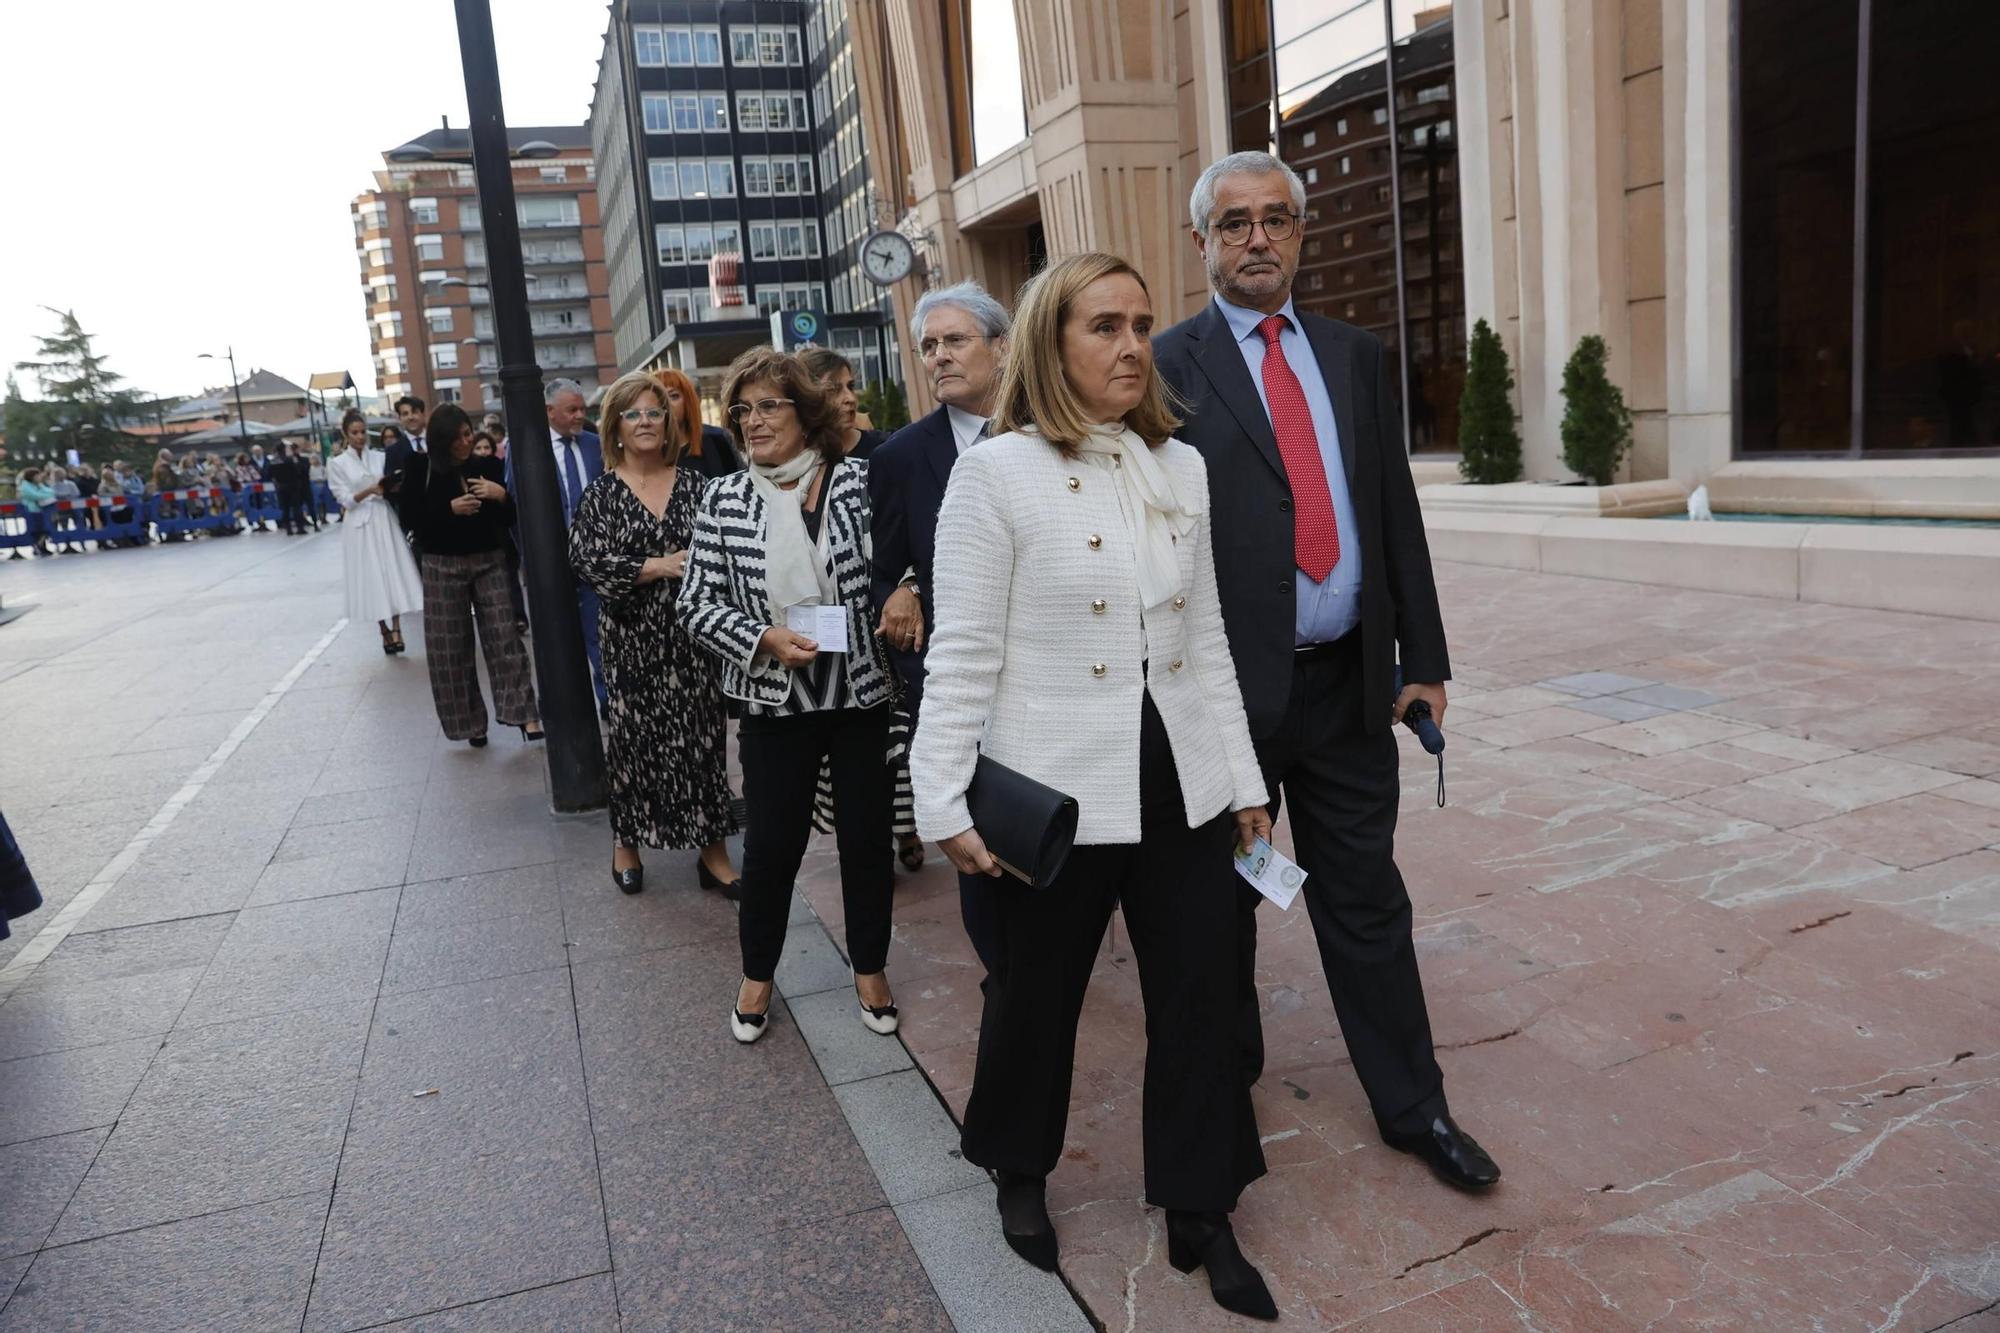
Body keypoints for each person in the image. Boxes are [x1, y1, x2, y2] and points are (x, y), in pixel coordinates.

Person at [910, 252, 1277, 1319]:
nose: (1130, 347)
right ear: (1046, 343)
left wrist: (1242, 782)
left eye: (1140, 325)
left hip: (1176, 775)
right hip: (1052, 784)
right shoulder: (992, 473)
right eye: (1102, 326)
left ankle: (1201, 1207)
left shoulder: (1182, 467)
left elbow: (1202, 640)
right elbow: (963, 651)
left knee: (1202, 993)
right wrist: (942, 798)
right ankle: (1018, 1166)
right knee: (1036, 989)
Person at [1154, 150, 1499, 1194]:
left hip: (1349, 685)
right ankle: (1228, 1081)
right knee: (1218, 910)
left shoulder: (1353, 355)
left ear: (1299, 233)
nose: (1256, 238)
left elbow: (1390, 509)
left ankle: (1414, 1106)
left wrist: (1423, 659)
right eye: (1232, 223)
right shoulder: (1165, 364)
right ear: (1202, 242)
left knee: (1364, 900)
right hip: (1224, 698)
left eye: (1274, 219)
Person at [679, 348, 900, 1046]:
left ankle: (870, 968)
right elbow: (695, 604)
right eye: (741, 410)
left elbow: (910, 560)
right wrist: (761, 637)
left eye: (767, 406)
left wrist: (910, 590)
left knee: (868, 842)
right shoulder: (724, 497)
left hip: (859, 693)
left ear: (805, 411)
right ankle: (756, 975)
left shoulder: (864, 480)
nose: (751, 422)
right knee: (773, 847)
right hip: (773, 702)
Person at [868, 280, 1011, 964]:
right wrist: (901, 590)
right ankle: (1004, 977)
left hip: (1061, 674)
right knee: (988, 857)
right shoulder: (898, 457)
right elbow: (883, 568)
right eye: (928, 346)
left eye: (955, 340)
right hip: (966, 692)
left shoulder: (1051, 427)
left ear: (1002, 347)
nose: (939, 357)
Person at [568, 371, 742, 899]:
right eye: (634, 414)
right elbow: (587, 561)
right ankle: (627, 842)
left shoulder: (698, 486)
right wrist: (657, 566)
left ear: (668, 424)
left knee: (703, 744)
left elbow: (726, 555)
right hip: (630, 643)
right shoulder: (600, 494)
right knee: (631, 745)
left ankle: (711, 854)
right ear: (615, 427)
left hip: (693, 643)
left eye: (654, 413)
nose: (645, 422)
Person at [397, 403, 544, 748]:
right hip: (440, 564)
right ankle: (469, 724)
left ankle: (525, 714)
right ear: (442, 440)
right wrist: (449, 509)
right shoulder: (421, 467)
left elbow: (509, 517)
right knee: (450, 648)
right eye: (458, 437)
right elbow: (410, 517)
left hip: (489, 559)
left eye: (468, 434)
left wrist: (501, 495)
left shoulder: (486, 465)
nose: (466, 442)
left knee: (504, 638)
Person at [507, 378, 607, 708]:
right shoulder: (527, 448)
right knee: (561, 639)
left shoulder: (595, 445)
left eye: (582, 409)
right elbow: (516, 504)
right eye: (572, 410)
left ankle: (607, 702)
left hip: (597, 560)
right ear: (549, 412)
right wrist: (530, 558)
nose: (580, 415)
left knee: (600, 633)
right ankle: (572, 705)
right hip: (553, 563)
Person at [327, 408, 423, 656]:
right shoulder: (337, 463)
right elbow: (345, 499)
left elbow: (391, 483)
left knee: (391, 571)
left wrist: (389, 487)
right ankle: (383, 630)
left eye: (362, 432)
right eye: (354, 433)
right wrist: (370, 490)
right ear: (346, 434)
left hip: (382, 517)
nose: (360, 437)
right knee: (370, 576)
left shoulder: (380, 457)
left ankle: (398, 627)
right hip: (359, 524)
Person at [652, 366, 744, 482]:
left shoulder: (718, 439)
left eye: (673, 396)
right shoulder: (643, 451)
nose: (666, 404)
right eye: (658, 397)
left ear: (688, 401)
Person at [797, 348, 888, 458]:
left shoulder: (883, 449)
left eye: (851, 386)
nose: (851, 398)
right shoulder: (792, 462)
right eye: (833, 390)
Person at [16, 468, 55, 556]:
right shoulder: (25, 486)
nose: (39, 477)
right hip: (32, 510)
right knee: (37, 530)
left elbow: (51, 492)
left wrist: (42, 493)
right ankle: (37, 546)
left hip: (42, 509)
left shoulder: (39, 485)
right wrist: (44, 495)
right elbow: (34, 496)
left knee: (46, 528)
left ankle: (42, 546)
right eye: (37, 476)